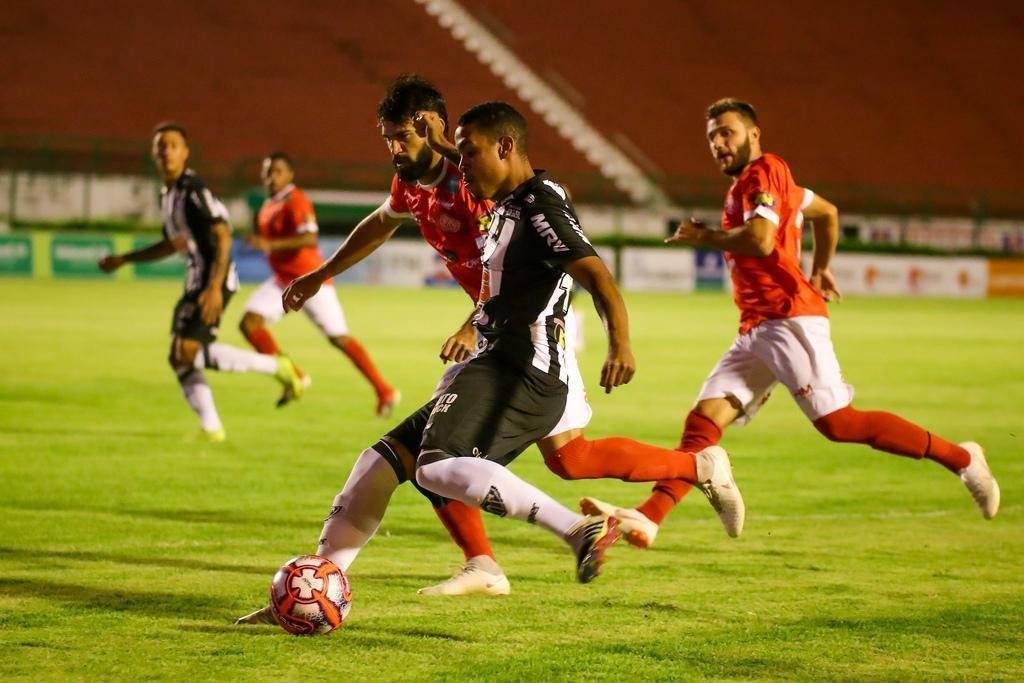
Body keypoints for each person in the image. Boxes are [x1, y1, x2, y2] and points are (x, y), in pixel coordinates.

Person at [581, 98, 1000, 547]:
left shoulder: (766, 172)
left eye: (727, 132)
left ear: (753, 134)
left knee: (839, 424)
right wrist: (822, 267)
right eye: (712, 137)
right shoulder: (760, 184)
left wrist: (706, 236)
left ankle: (963, 459)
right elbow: (827, 213)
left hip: (787, 318)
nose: (719, 143)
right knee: (703, 422)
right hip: (757, 328)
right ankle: (650, 516)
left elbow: (761, 241)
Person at [98, 122, 304, 442]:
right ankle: (211, 428)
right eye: (161, 146)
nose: (167, 151)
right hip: (197, 279)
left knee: (188, 350)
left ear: (185, 153)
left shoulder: (192, 189)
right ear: (154, 153)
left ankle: (276, 368)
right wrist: (125, 259)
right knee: (179, 356)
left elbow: (222, 235)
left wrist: (214, 287)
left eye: (173, 145)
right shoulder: (168, 194)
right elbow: (171, 244)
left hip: (213, 279)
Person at [239, 151, 398, 413]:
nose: (271, 177)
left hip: (309, 280)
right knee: (249, 323)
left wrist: (269, 244)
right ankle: (294, 376)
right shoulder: (269, 205)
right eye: (267, 171)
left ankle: (384, 390)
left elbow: (309, 238)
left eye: (278, 171)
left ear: (290, 175)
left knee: (338, 338)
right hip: (283, 280)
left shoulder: (296, 201)